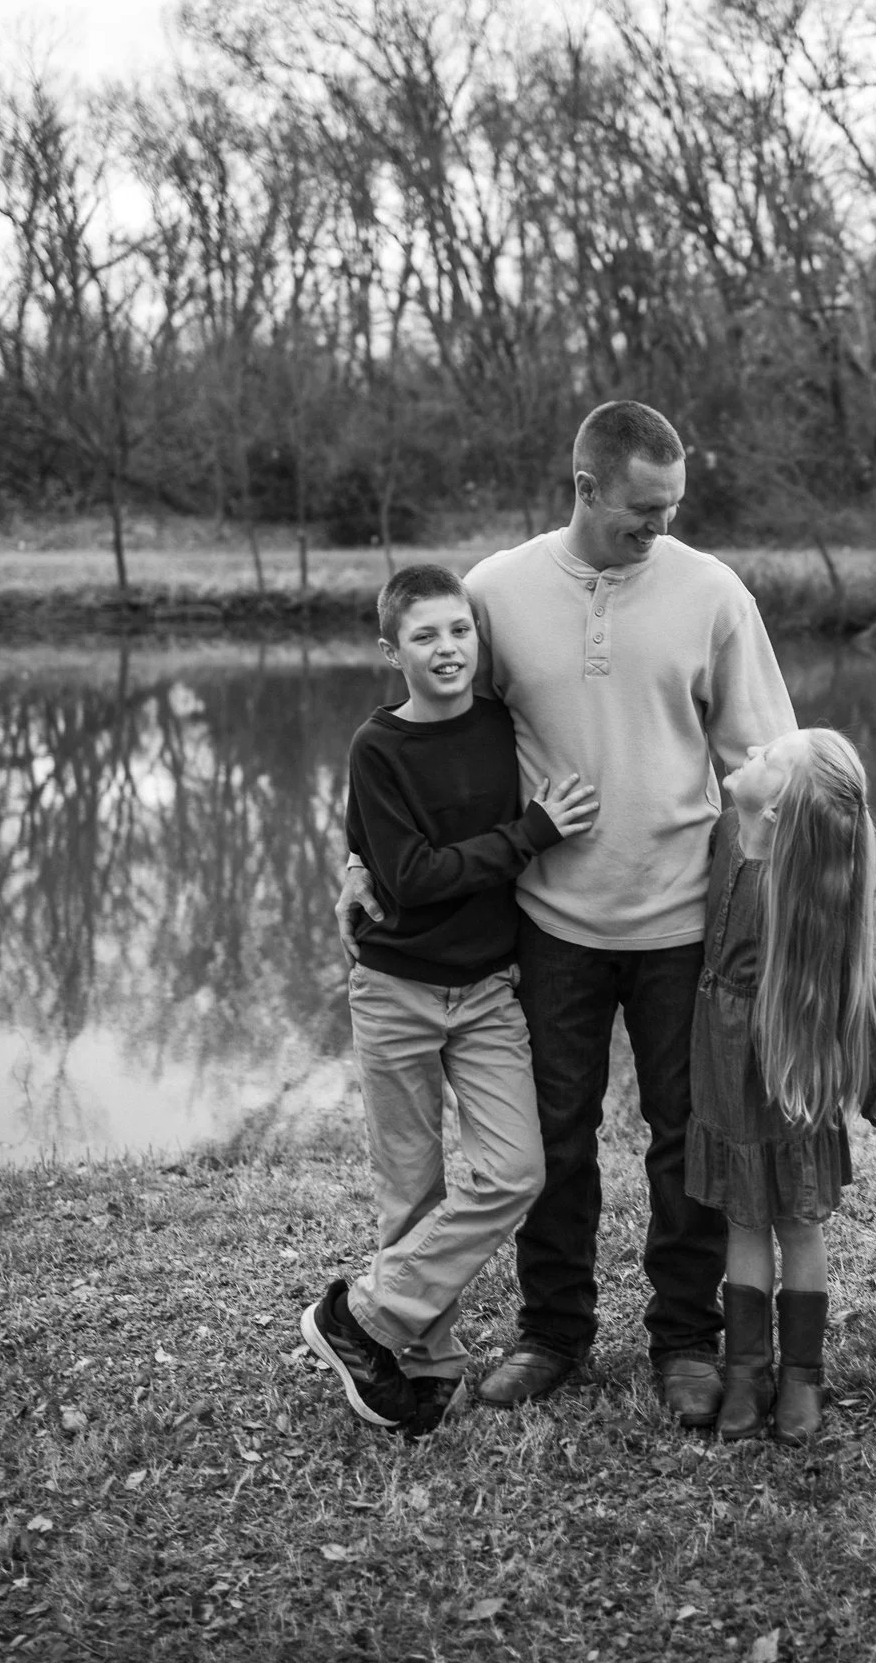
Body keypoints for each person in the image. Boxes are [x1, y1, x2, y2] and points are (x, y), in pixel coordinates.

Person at [337, 403, 796, 1427]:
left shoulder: (712, 592)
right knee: (555, 1136)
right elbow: (424, 728)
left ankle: (685, 1337)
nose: (661, 526)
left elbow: (770, 761)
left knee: (685, 1135)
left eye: (673, 506)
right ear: (586, 487)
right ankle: (553, 1331)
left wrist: (788, 898)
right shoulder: (497, 592)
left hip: (684, 920)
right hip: (548, 924)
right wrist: (363, 855)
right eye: (644, 509)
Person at [302, 564, 597, 1436]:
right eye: (424, 635)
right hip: (395, 989)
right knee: (411, 1189)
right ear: (390, 651)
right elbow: (411, 876)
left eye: (459, 630)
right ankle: (425, 1368)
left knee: (516, 1171)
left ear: (478, 638)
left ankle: (361, 1316)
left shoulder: (503, 724)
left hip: (488, 991)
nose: (447, 649)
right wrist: (531, 834)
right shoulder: (378, 747)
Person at [686, 727, 876, 1443]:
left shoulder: (808, 888)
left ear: (779, 809)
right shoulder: (726, 833)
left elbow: (855, 994)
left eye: (768, 758)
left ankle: (802, 1375)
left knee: (797, 1223)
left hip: (792, 1077)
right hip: (723, 1070)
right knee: (743, 1219)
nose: (752, 751)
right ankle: (746, 1371)